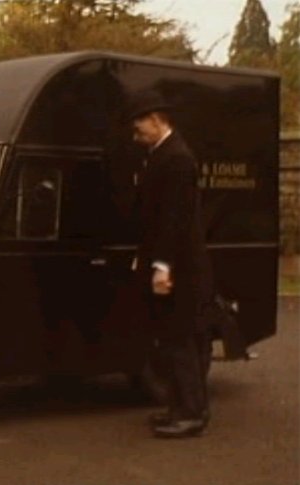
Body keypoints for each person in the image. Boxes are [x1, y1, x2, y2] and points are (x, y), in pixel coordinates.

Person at [125, 90, 213, 438]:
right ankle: (180, 408)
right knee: (171, 341)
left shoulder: (176, 159)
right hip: (172, 265)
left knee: (180, 342)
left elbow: (174, 222)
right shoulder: (163, 155)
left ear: (157, 120)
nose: (136, 135)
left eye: (139, 128)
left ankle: (192, 413)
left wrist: (162, 267)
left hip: (179, 270)